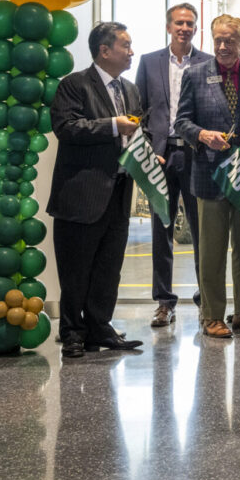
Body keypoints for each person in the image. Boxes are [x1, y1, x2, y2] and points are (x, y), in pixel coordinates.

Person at [175, 14, 240, 337]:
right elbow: (182, 123)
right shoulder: (195, 75)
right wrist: (203, 135)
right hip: (210, 177)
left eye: (230, 40)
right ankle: (212, 317)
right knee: (212, 252)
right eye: (218, 39)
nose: (222, 46)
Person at [48, 21, 144, 357]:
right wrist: (111, 125)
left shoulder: (130, 90)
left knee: (109, 267)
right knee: (76, 269)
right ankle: (73, 333)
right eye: (125, 45)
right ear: (104, 51)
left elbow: (133, 136)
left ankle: (100, 328)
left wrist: (147, 157)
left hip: (118, 192)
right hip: (81, 195)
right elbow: (66, 127)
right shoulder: (74, 85)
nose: (132, 52)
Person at [135, 2, 212, 327]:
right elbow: (137, 109)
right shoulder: (149, 62)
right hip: (160, 156)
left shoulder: (208, 63)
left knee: (203, 231)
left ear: (196, 28)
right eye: (179, 23)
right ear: (169, 27)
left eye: (190, 23)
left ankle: (205, 298)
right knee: (161, 229)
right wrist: (147, 148)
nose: (184, 28)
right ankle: (164, 302)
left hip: (197, 155)